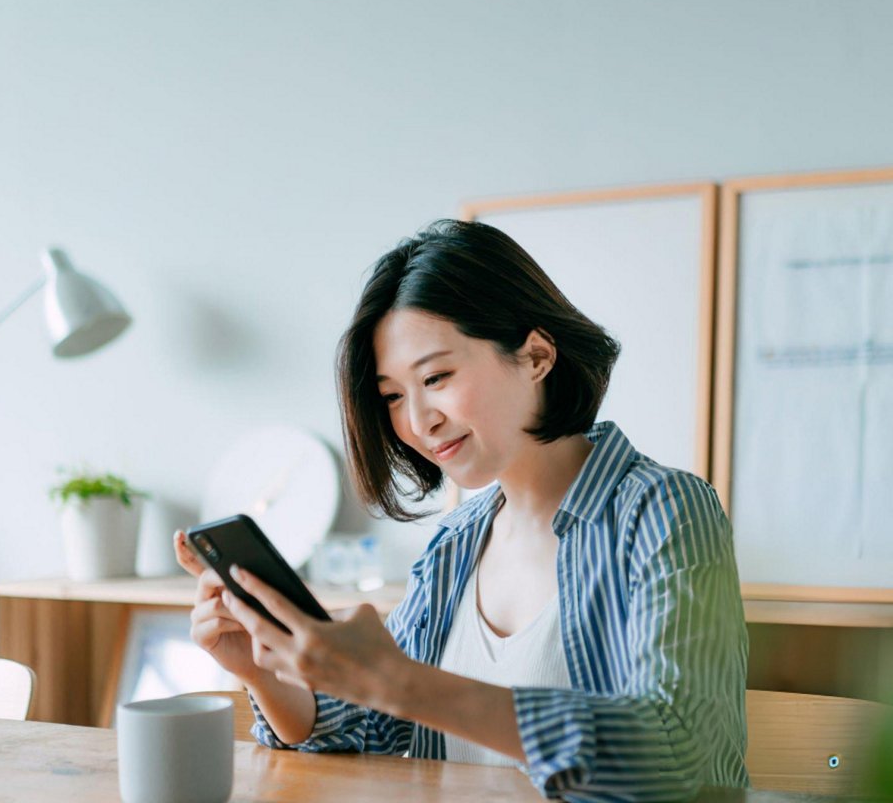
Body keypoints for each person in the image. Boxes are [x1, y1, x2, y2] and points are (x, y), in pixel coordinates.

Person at [174, 219, 749, 800]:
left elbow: (676, 752)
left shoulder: (664, 512)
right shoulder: (456, 543)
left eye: (437, 376)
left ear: (536, 356)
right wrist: (261, 671)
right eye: (394, 396)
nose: (419, 421)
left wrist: (401, 682)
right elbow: (366, 727)